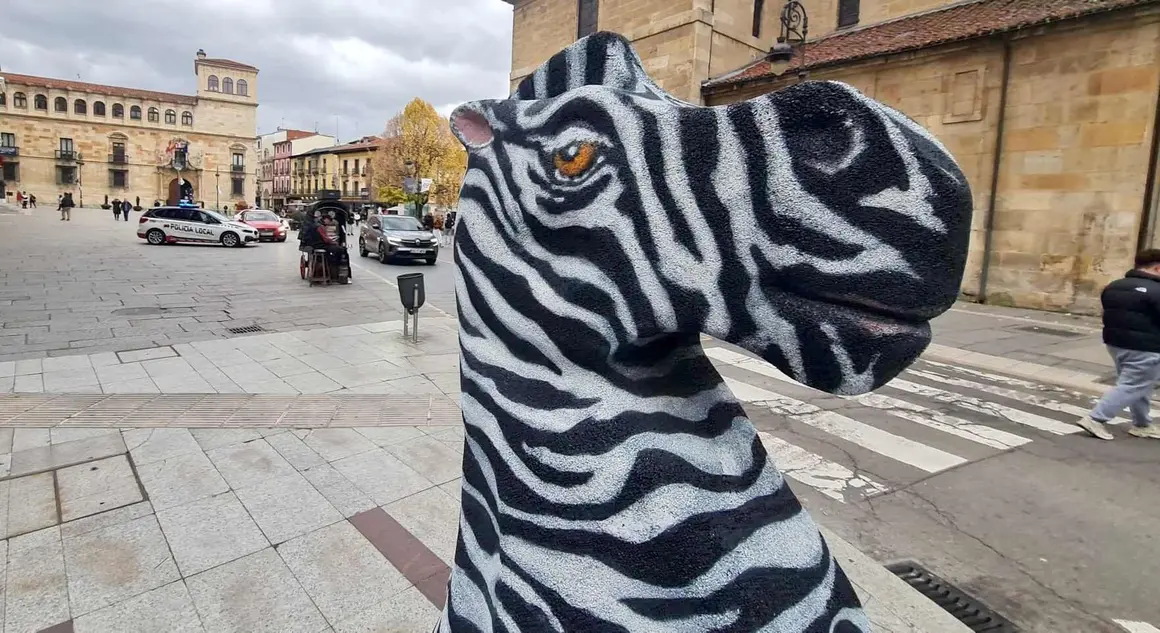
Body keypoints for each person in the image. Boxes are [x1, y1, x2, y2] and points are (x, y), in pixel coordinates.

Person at [1076, 248, 1160, 441]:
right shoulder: (1156, 290)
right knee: (1133, 384)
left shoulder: (1114, 286)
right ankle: (1095, 418)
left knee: (1139, 384)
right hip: (1147, 347)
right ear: (1157, 268)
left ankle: (1142, 424)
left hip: (1116, 344)